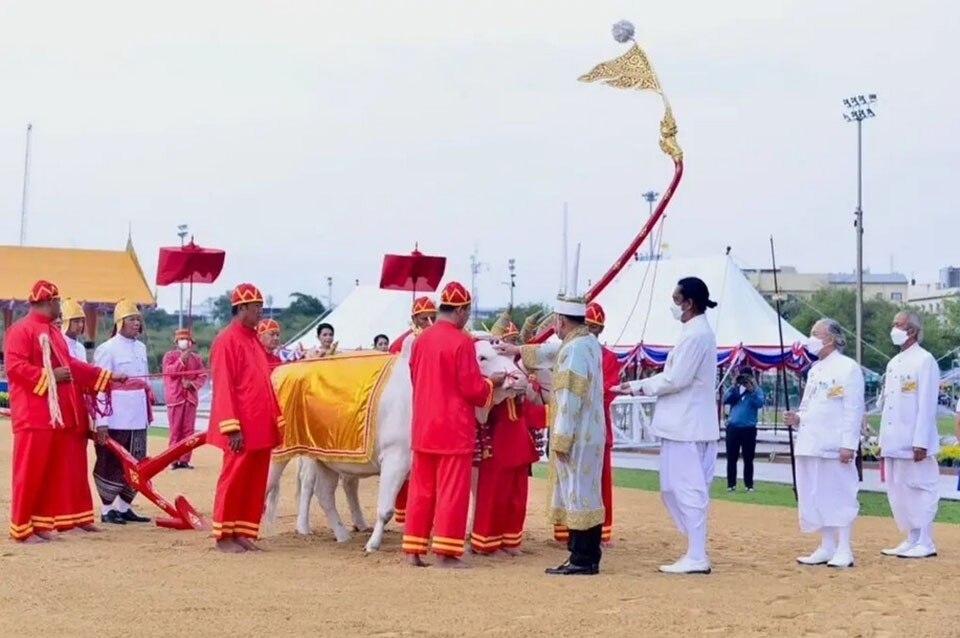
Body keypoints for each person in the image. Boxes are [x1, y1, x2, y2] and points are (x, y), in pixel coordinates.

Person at [613, 277, 720, 574]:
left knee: (688, 490)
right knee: (671, 490)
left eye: (676, 299)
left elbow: (676, 379)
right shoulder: (691, 333)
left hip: (689, 425)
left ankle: (697, 554)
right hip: (678, 425)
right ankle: (695, 548)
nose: (673, 305)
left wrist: (637, 386)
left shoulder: (697, 335)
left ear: (689, 303)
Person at [4, 281, 121, 542]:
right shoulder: (20, 330)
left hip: (53, 417)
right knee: (29, 472)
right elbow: (14, 368)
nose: (60, 307)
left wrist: (106, 376)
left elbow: (72, 366)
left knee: (47, 473)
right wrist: (50, 375)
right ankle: (22, 528)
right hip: (32, 415)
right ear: (47, 302)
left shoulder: (54, 333)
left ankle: (41, 524)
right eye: (58, 302)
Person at [402, 281, 505, 568]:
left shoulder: (421, 340)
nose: (467, 316)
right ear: (460, 310)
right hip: (453, 428)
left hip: (423, 426)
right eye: (468, 311)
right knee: (451, 490)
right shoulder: (461, 342)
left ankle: (413, 548)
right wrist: (491, 383)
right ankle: (446, 552)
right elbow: (472, 388)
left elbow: (415, 378)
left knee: (421, 489)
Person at [208, 283, 285, 553]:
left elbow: (265, 382)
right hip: (240, 426)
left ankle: (242, 531)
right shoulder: (225, 341)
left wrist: (276, 419)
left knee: (254, 481)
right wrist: (231, 427)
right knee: (234, 477)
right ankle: (223, 534)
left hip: (260, 423)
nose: (260, 313)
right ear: (242, 308)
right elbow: (224, 387)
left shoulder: (253, 340)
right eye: (257, 308)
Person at [785, 318, 865, 569]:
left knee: (839, 493)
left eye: (814, 333)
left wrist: (849, 444)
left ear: (829, 339)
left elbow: (853, 409)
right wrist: (797, 418)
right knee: (816, 494)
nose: (810, 338)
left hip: (834, 444)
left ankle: (844, 548)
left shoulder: (848, 368)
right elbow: (810, 405)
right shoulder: (815, 370)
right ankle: (826, 545)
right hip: (810, 441)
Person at [538, 294, 606, 576]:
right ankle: (588, 556)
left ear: (561, 321)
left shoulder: (574, 350)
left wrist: (561, 437)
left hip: (576, 433)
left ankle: (580, 557)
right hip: (592, 432)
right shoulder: (588, 343)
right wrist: (517, 350)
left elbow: (568, 397)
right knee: (587, 492)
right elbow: (552, 352)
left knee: (576, 493)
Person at [470, 314, 538, 556]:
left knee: (517, 495)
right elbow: (481, 408)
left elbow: (535, 396)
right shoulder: (487, 369)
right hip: (497, 439)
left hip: (519, 437)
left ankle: (511, 540)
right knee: (492, 495)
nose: (508, 346)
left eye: (512, 341)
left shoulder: (519, 367)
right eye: (505, 340)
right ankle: (486, 542)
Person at [878, 311, 940, 559]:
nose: (894, 328)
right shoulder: (894, 363)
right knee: (899, 489)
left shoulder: (925, 361)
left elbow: (926, 405)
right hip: (893, 439)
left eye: (899, 325)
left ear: (912, 330)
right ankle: (911, 537)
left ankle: (926, 540)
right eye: (893, 323)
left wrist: (921, 441)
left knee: (921, 487)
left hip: (914, 439)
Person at [93, 300, 153, 525]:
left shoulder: (141, 348)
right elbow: (100, 385)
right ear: (120, 323)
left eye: (138, 319)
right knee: (111, 461)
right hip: (116, 415)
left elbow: (143, 381)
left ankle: (124, 506)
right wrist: (101, 421)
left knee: (137, 461)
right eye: (132, 319)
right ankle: (107, 509)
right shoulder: (107, 348)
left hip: (138, 415)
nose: (136, 323)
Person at [390, 296, 438, 524]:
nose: (429, 321)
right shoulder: (409, 341)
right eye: (423, 317)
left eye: (433, 316)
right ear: (414, 319)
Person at [59, 298, 101, 531]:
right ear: (65, 323)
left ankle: (82, 516)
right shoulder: (59, 344)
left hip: (80, 411)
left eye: (81, 321)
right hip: (65, 411)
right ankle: (65, 517)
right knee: (64, 466)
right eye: (75, 321)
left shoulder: (81, 348)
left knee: (79, 465)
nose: (80, 326)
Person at [584, 301, 618, 546]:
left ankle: (601, 531)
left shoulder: (608, 358)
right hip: (574, 426)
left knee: (600, 480)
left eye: (593, 328)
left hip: (596, 426)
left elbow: (608, 390)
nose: (590, 332)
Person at [162, 328, 208, 470]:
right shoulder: (170, 356)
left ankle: (185, 460)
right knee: (175, 430)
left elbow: (202, 375)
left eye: (187, 339)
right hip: (175, 398)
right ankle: (173, 460)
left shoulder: (196, 358)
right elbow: (169, 372)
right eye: (181, 339)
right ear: (176, 341)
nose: (184, 342)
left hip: (190, 398)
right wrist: (181, 360)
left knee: (189, 431)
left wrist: (192, 384)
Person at [722, 367, 764, 492]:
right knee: (731, 458)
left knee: (748, 458)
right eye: (742, 376)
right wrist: (733, 385)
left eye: (747, 377)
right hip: (733, 428)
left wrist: (752, 389)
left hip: (748, 429)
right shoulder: (735, 390)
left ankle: (749, 485)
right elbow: (725, 400)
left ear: (752, 378)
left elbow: (760, 403)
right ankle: (731, 484)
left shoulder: (757, 391)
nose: (744, 379)